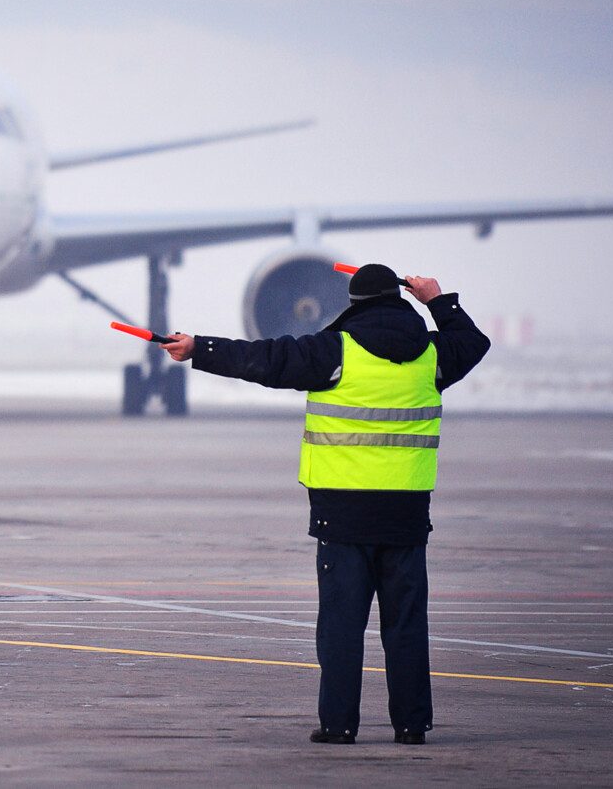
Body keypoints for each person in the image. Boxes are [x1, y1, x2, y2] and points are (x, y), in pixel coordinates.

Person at [160, 263, 489, 746]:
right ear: (398, 300)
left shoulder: (333, 351)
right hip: (406, 517)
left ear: (353, 305)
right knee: (406, 628)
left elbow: (262, 359)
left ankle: (338, 726)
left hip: (343, 517)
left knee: (341, 630)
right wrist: (438, 300)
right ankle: (412, 725)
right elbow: (473, 343)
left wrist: (198, 349)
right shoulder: (433, 358)